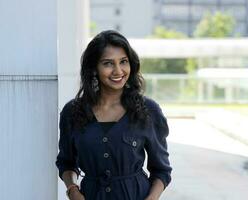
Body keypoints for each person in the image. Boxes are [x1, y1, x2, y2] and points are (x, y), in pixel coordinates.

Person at [56, 30, 172, 200]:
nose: (118, 71)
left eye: (123, 62)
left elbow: (161, 170)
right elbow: (66, 162)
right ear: (94, 68)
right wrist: (72, 190)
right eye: (108, 63)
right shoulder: (72, 112)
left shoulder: (149, 110)